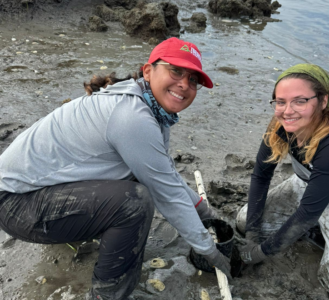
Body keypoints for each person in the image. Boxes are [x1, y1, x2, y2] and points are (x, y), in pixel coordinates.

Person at [0, 37, 232, 300]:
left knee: (136, 176)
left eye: (193, 80)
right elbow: (166, 193)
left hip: (35, 189)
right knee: (134, 202)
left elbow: (165, 172)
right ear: (148, 70)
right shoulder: (132, 117)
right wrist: (208, 250)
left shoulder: (147, 104)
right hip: (15, 203)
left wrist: (204, 212)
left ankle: (80, 230)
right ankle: (107, 294)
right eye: (176, 71)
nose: (184, 84)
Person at [237, 64, 329, 300]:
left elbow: (306, 213)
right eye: (280, 102)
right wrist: (251, 237)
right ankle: (323, 232)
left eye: (300, 101)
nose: (287, 111)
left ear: (322, 101)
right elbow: (261, 175)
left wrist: (257, 254)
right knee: (244, 220)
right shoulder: (280, 126)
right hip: (309, 185)